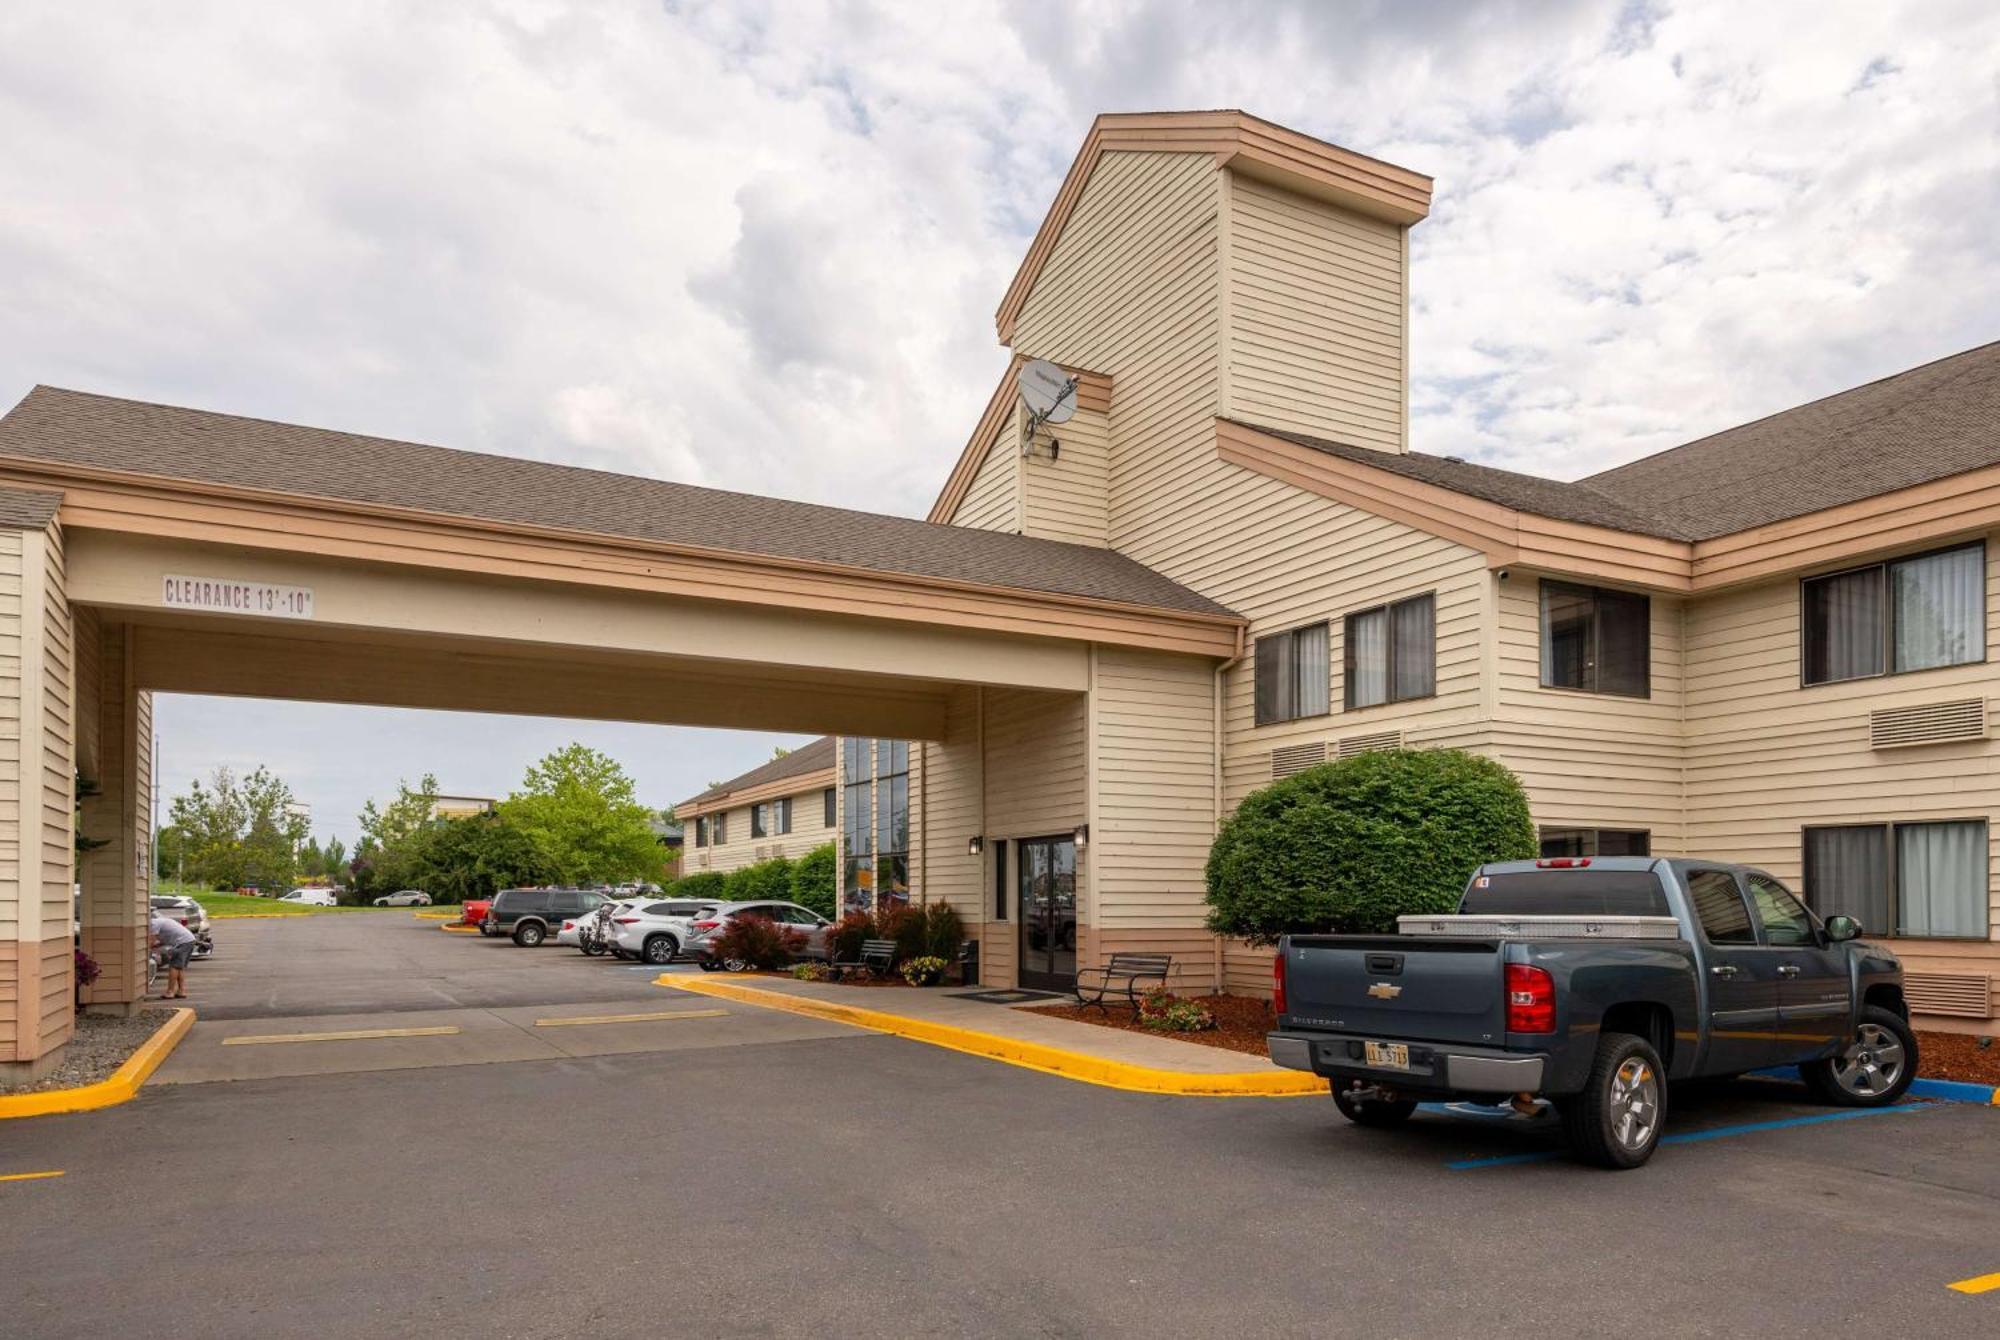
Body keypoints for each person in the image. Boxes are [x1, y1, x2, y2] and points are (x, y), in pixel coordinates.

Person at [150, 910, 195, 1000]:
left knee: (173, 967)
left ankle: (170, 992)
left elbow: (151, 942)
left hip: (182, 942)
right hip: (189, 940)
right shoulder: (160, 922)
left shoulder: (153, 924)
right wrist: (158, 945)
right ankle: (181, 991)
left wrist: (149, 948)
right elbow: (165, 938)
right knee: (179, 967)